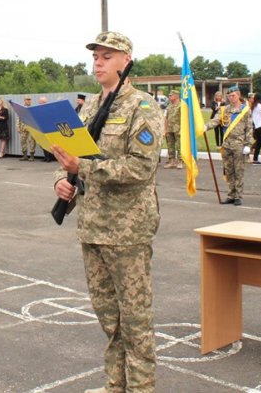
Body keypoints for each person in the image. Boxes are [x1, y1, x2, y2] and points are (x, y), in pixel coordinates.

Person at [52, 31, 164, 392]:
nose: (98, 63)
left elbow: (140, 169)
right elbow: (71, 156)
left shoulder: (142, 107)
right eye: (95, 56)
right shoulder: (88, 107)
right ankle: (115, 384)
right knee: (109, 318)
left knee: (135, 319)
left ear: (125, 60)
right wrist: (61, 180)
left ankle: (141, 388)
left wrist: (82, 168)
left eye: (106, 56)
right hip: (93, 225)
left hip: (127, 230)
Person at [205, 86, 253, 205]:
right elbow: (216, 120)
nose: (231, 98)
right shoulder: (224, 110)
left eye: (233, 95)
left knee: (238, 171)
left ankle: (238, 196)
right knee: (229, 171)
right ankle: (231, 194)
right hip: (226, 144)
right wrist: (206, 126)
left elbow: (249, 128)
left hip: (239, 144)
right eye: (229, 96)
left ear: (238, 95)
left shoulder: (245, 110)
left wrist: (248, 144)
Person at [163, 89, 182, 169]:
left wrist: (182, 129)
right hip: (169, 129)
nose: (169, 97)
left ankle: (180, 161)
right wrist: (165, 129)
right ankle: (172, 161)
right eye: (169, 95)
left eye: (171, 95)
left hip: (178, 129)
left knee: (179, 146)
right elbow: (165, 118)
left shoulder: (181, 106)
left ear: (176, 96)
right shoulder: (168, 106)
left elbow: (184, 119)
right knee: (170, 146)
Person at [18, 96, 36, 161]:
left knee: (32, 141)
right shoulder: (21, 109)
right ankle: (25, 156)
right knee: (22, 141)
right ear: (24, 100)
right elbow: (19, 118)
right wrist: (18, 127)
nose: (28, 101)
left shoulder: (33, 108)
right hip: (23, 127)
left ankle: (32, 156)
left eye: (29, 100)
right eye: (27, 99)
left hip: (31, 127)